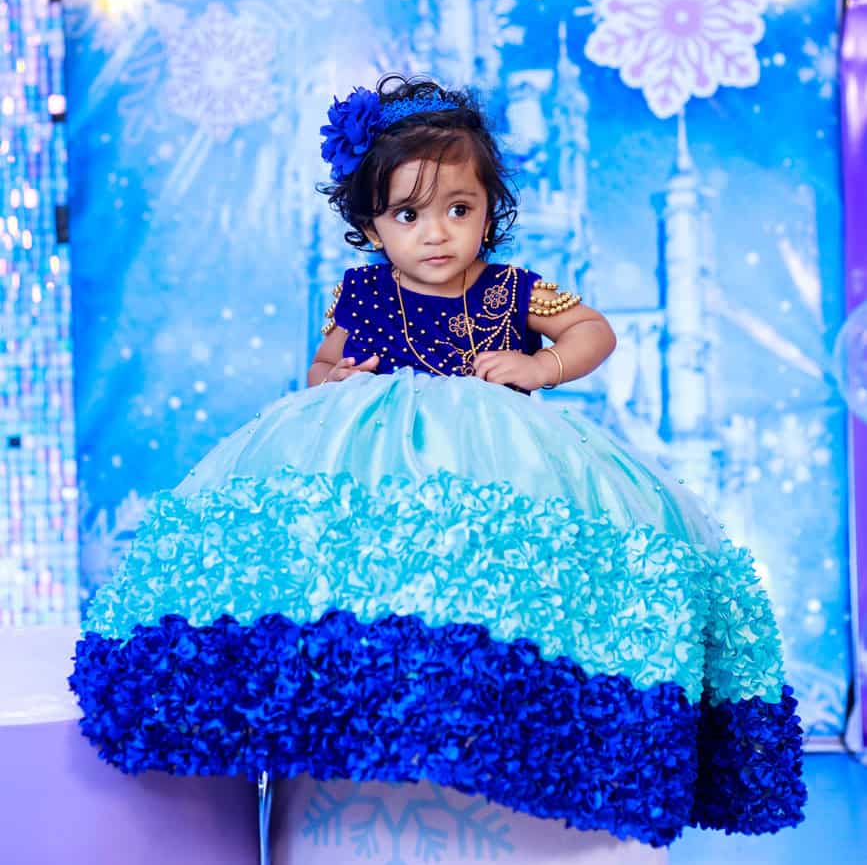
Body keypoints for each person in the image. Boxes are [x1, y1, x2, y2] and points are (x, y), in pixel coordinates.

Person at [70, 73, 806, 852]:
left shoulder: (510, 290)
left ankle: (510, 714)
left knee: (496, 566)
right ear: (372, 224)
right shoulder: (360, 296)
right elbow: (324, 367)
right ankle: (377, 706)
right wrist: (335, 383)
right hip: (378, 454)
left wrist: (540, 369)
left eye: (459, 209)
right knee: (373, 565)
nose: (435, 233)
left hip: (497, 455)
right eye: (407, 214)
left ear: (490, 213)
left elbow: (593, 332)